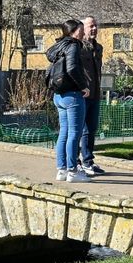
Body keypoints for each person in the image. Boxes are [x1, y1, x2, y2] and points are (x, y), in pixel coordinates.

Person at [46, 20, 92, 183]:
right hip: (72, 95)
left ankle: (62, 170)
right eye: (81, 30)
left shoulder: (59, 46)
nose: (83, 32)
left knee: (64, 133)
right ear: (73, 31)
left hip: (59, 95)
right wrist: (83, 86)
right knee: (74, 133)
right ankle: (72, 172)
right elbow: (72, 68)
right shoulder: (73, 45)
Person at [76, 16, 105, 177]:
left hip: (95, 94)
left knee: (91, 129)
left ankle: (88, 161)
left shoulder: (98, 48)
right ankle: (76, 161)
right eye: (90, 26)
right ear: (83, 29)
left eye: (95, 26)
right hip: (82, 94)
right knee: (79, 130)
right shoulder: (78, 47)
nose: (94, 29)